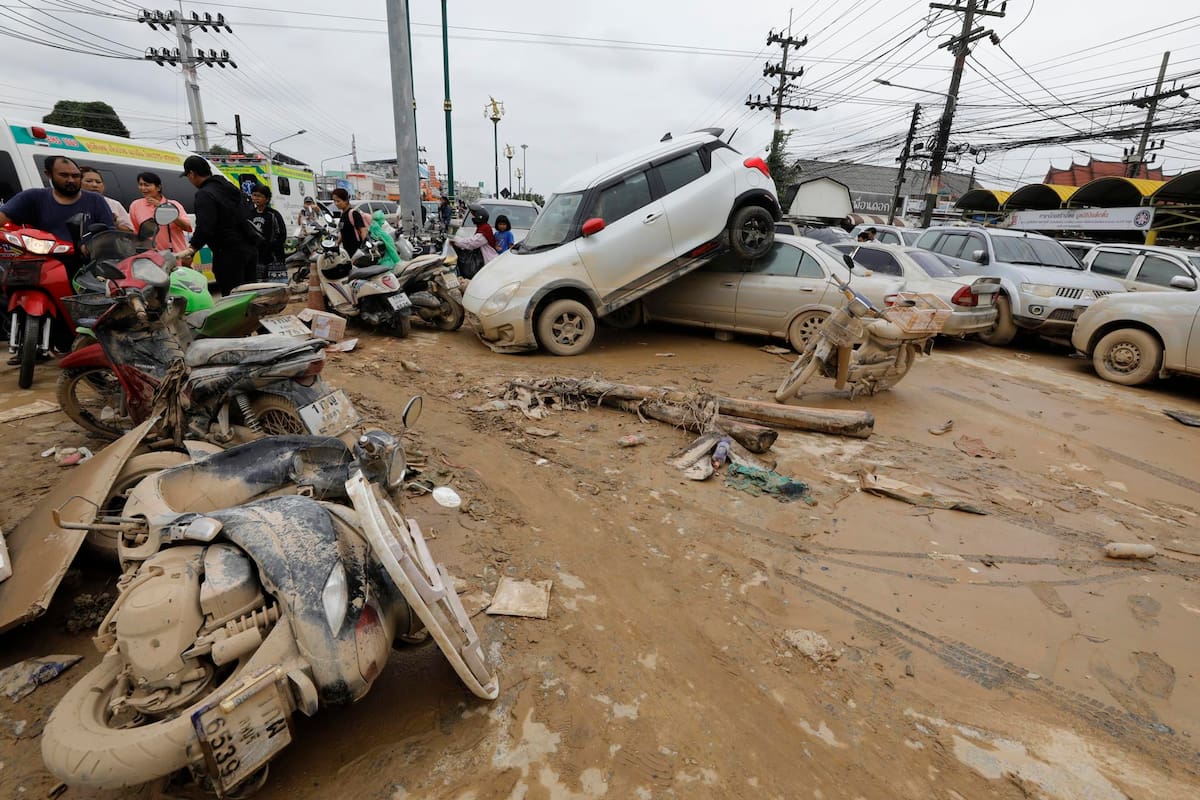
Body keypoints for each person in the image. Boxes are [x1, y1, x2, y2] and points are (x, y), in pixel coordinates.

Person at [179, 155, 258, 295]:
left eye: (188, 176)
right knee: (250, 295)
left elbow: (205, 227)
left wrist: (192, 248)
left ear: (192, 173)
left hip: (228, 254)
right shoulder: (229, 187)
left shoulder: (204, 194)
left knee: (233, 298)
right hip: (249, 249)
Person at [0, 155, 113, 241]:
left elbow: (109, 234)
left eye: (75, 176)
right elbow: (3, 216)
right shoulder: (32, 197)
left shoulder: (96, 200)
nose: (71, 180)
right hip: (44, 258)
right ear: (48, 174)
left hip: (86, 262)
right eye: (64, 175)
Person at [128, 171, 192, 252]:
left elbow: (187, 227)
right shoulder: (135, 205)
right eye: (140, 184)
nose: (143, 188)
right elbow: (136, 233)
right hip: (150, 256)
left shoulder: (173, 205)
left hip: (176, 255)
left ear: (158, 188)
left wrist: (162, 208)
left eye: (147, 185)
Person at [248, 183, 287, 276]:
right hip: (258, 257)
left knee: (276, 282)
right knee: (260, 282)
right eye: (254, 195)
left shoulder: (274, 215)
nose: (256, 198)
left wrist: (270, 247)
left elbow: (282, 235)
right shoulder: (249, 214)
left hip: (274, 256)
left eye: (259, 196)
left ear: (267, 199)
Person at [451, 203, 499, 278]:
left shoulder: (485, 229)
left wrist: (455, 240)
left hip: (487, 261)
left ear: (479, 217)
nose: (472, 217)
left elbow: (471, 243)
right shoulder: (483, 227)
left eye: (474, 215)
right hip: (485, 261)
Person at [79, 167, 133, 232]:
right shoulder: (72, 202)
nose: (95, 185)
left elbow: (130, 231)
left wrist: (113, 223)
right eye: (89, 181)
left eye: (98, 182)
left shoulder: (114, 204)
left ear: (103, 186)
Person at [331, 188, 368, 256]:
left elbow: (363, 231)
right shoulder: (342, 214)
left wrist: (364, 249)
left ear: (346, 200)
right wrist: (336, 244)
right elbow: (343, 232)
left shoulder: (354, 214)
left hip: (356, 251)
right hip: (347, 251)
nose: (336, 204)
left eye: (338, 201)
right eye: (334, 201)